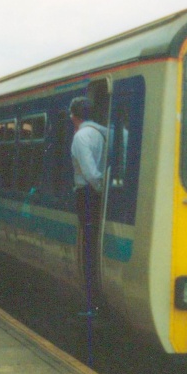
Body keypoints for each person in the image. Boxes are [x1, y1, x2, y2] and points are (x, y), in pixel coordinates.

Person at [69, 97, 107, 312]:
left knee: (89, 247)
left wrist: (100, 191)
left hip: (88, 194)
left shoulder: (81, 136)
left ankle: (92, 302)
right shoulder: (107, 132)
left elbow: (90, 172)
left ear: (74, 116)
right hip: (100, 194)